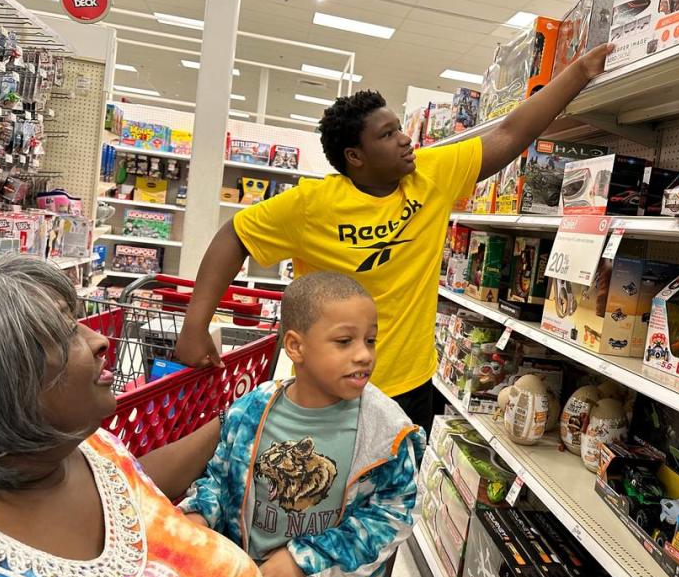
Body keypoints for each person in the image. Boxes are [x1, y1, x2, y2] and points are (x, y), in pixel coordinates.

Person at [175, 42, 614, 436]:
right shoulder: (312, 205)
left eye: (399, 128)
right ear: (355, 157)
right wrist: (195, 327)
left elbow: (508, 133)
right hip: (327, 391)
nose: (405, 139)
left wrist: (578, 72)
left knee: (392, 512)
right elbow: (233, 236)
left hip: (409, 388)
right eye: (387, 134)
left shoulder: (430, 176)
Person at [0, 252, 269, 577]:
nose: (100, 340)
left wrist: (234, 415)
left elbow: (138, 486)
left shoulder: (87, 446)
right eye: (66, 334)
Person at [180, 272, 423, 577]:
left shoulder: (386, 432)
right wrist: (201, 514)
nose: (364, 355)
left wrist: (301, 559)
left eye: (370, 340)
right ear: (296, 347)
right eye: (344, 341)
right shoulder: (252, 410)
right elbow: (221, 478)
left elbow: (389, 517)